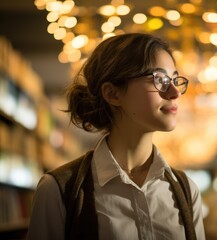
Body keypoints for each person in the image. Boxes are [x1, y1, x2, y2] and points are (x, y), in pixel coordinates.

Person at [27, 33, 206, 240]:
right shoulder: (59, 190)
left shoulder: (186, 190)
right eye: (160, 79)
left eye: (174, 79)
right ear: (113, 94)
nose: (175, 92)